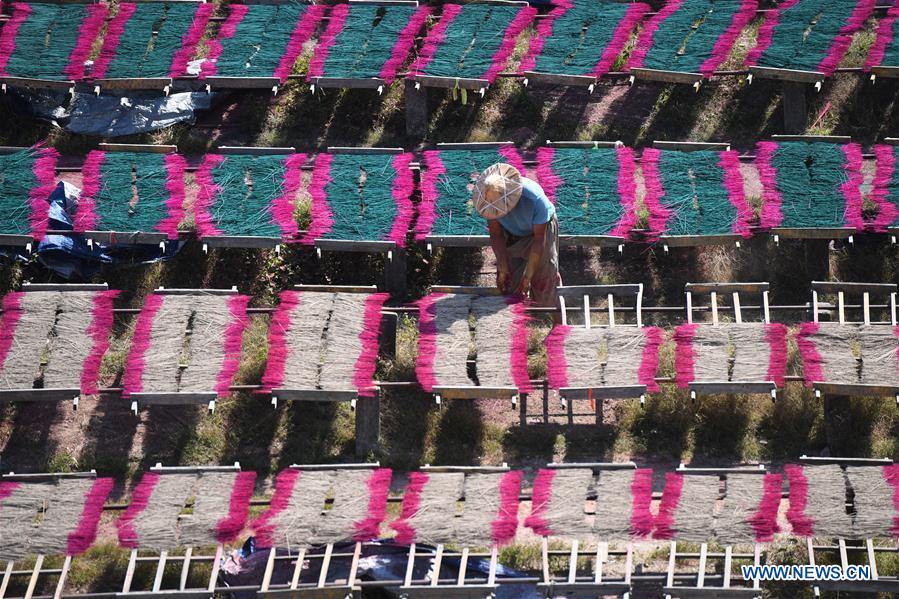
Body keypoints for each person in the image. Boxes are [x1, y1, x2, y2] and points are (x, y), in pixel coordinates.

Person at [472, 162, 561, 307]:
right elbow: (496, 235)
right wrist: (502, 265)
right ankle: (516, 324)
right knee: (509, 280)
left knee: (544, 279)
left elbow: (539, 241)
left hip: (540, 232)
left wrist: (527, 277)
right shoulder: (488, 199)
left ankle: (558, 324)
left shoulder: (535, 199)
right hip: (512, 233)